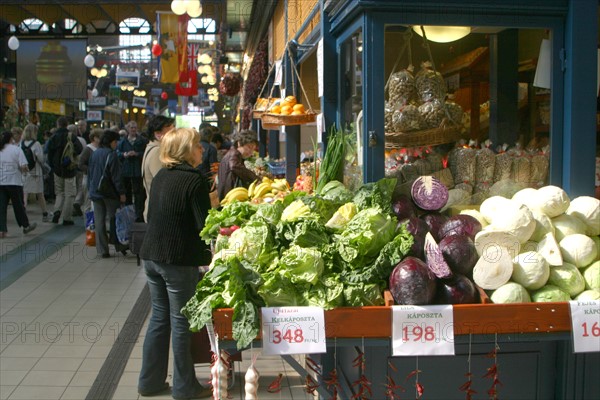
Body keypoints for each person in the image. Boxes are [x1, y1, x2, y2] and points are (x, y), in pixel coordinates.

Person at [138, 127, 212, 400]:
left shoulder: (161, 176)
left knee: (159, 319)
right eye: (197, 145)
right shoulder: (194, 181)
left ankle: (149, 382)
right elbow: (205, 226)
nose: (201, 149)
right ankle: (184, 387)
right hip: (177, 260)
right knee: (181, 323)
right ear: (185, 150)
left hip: (152, 256)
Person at [87, 130, 127, 258]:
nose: (116, 144)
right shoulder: (111, 155)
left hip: (95, 191)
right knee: (115, 218)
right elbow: (116, 176)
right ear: (111, 142)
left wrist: (90, 189)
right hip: (109, 192)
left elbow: (90, 173)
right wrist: (121, 192)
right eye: (115, 142)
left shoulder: (95, 153)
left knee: (99, 221)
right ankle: (118, 244)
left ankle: (102, 249)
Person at [0, 131, 37, 238]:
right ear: (11, 138)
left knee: (2, 207)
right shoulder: (16, 149)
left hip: (1, 182)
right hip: (14, 182)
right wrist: (25, 170)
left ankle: (2, 230)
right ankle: (25, 226)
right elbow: (23, 166)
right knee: (18, 206)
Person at [47, 117, 83, 225]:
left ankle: (57, 211)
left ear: (58, 124)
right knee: (70, 193)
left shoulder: (53, 137)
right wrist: (72, 155)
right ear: (67, 124)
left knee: (59, 192)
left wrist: (53, 166)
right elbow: (80, 149)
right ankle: (67, 217)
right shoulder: (71, 136)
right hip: (69, 169)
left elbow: (49, 154)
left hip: (57, 169)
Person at [141, 115, 174, 222]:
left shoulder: (152, 148)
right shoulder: (157, 151)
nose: (174, 136)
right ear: (158, 134)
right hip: (158, 212)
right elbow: (163, 183)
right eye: (170, 133)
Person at [117, 121, 147, 222]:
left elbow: (146, 153)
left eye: (135, 128)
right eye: (131, 128)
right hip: (126, 170)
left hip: (137, 170)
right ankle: (128, 214)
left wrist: (137, 154)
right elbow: (117, 153)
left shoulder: (142, 141)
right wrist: (124, 155)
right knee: (127, 193)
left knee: (139, 193)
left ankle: (139, 214)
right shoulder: (122, 141)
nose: (133, 130)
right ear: (127, 129)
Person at [217, 129, 259, 201]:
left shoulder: (235, 154)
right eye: (249, 147)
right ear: (239, 143)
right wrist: (254, 177)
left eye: (253, 149)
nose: (251, 152)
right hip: (228, 197)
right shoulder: (234, 154)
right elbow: (234, 166)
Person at [21, 124, 50, 222]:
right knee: (40, 193)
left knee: (25, 193)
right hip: (36, 172)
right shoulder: (36, 144)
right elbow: (41, 159)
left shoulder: (21, 143)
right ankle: (45, 213)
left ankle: (23, 212)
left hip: (25, 171)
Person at [78, 128, 102, 212]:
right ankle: (88, 224)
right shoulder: (88, 149)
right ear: (95, 138)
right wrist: (91, 170)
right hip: (88, 178)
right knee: (88, 203)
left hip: (97, 179)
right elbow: (80, 164)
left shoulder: (100, 148)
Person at [69, 124, 87, 217]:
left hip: (69, 166)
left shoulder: (66, 140)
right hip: (80, 166)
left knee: (72, 186)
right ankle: (78, 201)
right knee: (80, 186)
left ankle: (72, 206)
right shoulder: (82, 140)